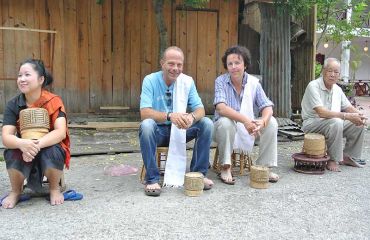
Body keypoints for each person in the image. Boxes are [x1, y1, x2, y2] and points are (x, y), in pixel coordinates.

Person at [139, 46, 214, 196]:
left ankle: (198, 174)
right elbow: (144, 112)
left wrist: (191, 117)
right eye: (171, 63)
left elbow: (200, 110)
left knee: (206, 123)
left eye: (179, 65)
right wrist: (169, 116)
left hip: (180, 130)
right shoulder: (150, 80)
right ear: (162, 63)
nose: (175, 68)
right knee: (146, 125)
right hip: (159, 131)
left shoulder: (187, 81)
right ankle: (152, 178)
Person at [1, 59, 70, 208]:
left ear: (41, 79)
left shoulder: (54, 101)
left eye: (27, 75)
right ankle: (15, 191)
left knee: (53, 152)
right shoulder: (13, 105)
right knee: (12, 152)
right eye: (20, 75)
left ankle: (54, 188)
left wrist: (35, 145)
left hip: (47, 145)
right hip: (24, 146)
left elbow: (60, 132)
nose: (22, 79)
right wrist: (21, 144)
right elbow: (6, 137)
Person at [213, 45, 279, 185]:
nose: (233, 67)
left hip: (249, 126)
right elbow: (221, 108)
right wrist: (245, 121)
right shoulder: (221, 81)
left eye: (237, 63)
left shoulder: (253, 83)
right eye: (230, 64)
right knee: (226, 122)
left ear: (245, 65)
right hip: (223, 128)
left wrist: (263, 121)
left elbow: (267, 106)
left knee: (271, 122)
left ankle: (264, 167)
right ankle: (225, 167)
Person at [301, 58, 367, 172]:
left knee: (358, 123)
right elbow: (321, 112)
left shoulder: (337, 89)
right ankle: (333, 158)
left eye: (336, 72)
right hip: (312, 123)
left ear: (339, 74)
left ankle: (347, 156)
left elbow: (348, 107)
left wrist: (359, 115)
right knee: (336, 122)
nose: (332, 74)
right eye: (329, 71)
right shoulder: (313, 86)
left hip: (331, 122)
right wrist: (346, 116)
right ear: (323, 71)